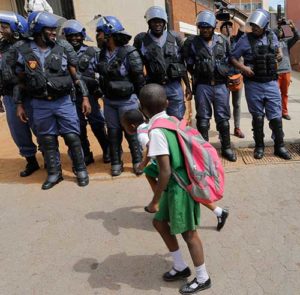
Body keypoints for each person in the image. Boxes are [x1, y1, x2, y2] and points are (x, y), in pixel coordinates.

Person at [139, 83, 211, 294]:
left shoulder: (158, 131)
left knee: (190, 235)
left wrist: (154, 200)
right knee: (160, 223)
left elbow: (165, 171)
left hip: (179, 188)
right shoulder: (172, 119)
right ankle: (180, 266)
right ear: (168, 103)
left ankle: (203, 277)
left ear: (142, 108)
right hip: (176, 185)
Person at [10, 11, 91, 189]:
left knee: (72, 137)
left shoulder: (63, 47)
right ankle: (55, 173)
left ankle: (80, 169)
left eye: (55, 30)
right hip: (39, 104)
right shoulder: (23, 50)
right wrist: (18, 105)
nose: (55, 33)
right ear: (38, 30)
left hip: (63, 102)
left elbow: (76, 76)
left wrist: (85, 97)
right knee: (47, 139)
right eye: (50, 30)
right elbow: (20, 81)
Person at [122, 108, 229, 231]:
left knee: (190, 191)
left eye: (124, 126)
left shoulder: (141, 134)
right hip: (171, 161)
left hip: (167, 165)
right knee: (149, 173)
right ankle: (162, 199)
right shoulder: (149, 124)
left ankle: (218, 212)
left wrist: (143, 163)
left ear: (131, 126)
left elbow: (151, 146)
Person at [231, 9, 291, 160]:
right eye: (253, 25)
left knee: (276, 118)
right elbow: (232, 57)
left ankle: (279, 146)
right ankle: (259, 147)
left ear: (264, 26)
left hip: (271, 83)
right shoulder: (245, 39)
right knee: (257, 118)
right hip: (254, 85)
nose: (254, 28)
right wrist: (244, 68)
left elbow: (279, 52)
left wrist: (279, 55)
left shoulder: (272, 36)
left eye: (257, 26)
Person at [95, 16, 146, 176]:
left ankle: (137, 160)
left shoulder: (129, 52)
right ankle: (117, 161)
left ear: (109, 33)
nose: (98, 36)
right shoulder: (101, 54)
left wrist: (142, 102)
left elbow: (139, 79)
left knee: (131, 132)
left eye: (100, 32)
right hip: (109, 101)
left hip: (127, 100)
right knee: (113, 132)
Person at [183, 10, 236, 162]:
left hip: (220, 86)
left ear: (213, 27)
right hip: (203, 86)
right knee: (203, 120)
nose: (205, 30)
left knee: (223, 119)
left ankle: (226, 147)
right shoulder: (192, 43)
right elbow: (189, 64)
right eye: (202, 27)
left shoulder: (223, 41)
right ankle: (204, 151)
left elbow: (230, 59)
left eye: (207, 27)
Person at [62, 19, 110, 165]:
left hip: (90, 94)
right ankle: (86, 154)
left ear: (83, 36)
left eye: (77, 35)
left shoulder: (92, 52)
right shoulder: (61, 53)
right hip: (70, 96)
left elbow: (102, 73)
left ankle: (107, 150)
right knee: (78, 126)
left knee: (97, 123)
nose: (74, 38)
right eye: (71, 36)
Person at [133, 6, 192, 120]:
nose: (157, 24)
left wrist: (188, 87)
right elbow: (136, 67)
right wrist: (140, 90)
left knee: (177, 118)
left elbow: (182, 63)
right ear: (149, 23)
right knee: (157, 120)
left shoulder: (175, 38)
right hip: (154, 87)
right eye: (154, 22)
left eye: (160, 22)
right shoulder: (142, 40)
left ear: (165, 23)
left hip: (174, 86)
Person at [0, 11, 40, 177]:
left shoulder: (31, 45)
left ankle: (50, 158)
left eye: (4, 27)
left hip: (31, 95)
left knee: (40, 127)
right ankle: (31, 160)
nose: (1, 30)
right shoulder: (1, 47)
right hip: (9, 95)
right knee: (18, 130)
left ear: (16, 27)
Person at [220, 21, 245, 138]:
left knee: (237, 104)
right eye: (225, 27)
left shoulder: (236, 39)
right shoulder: (217, 41)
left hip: (237, 77)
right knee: (223, 105)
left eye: (230, 26)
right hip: (223, 79)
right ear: (220, 30)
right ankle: (224, 129)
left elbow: (243, 25)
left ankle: (237, 127)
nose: (228, 28)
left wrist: (230, 14)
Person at [275, 20, 299, 120]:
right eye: (279, 29)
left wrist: (292, 28)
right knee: (275, 94)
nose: (281, 31)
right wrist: (279, 25)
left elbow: (297, 37)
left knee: (285, 93)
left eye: (282, 29)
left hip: (286, 71)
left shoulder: (286, 42)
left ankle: (284, 112)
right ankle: (276, 112)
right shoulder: (272, 42)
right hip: (276, 72)